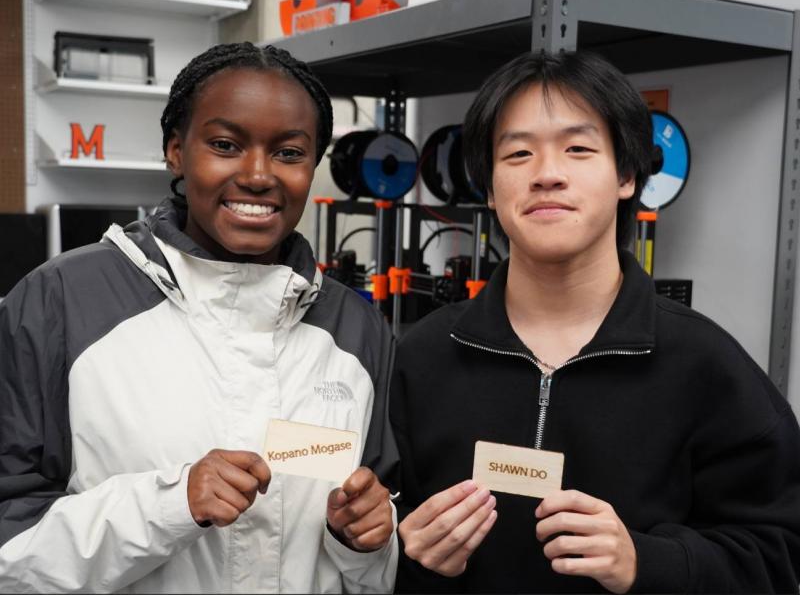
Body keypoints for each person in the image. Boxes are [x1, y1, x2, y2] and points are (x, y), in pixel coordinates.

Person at [390, 50, 800, 593]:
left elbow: (781, 554)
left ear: (627, 175)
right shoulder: (425, 355)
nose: (547, 175)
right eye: (517, 154)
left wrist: (646, 562)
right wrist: (401, 547)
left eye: (579, 149)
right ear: (489, 189)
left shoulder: (706, 365)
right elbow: (374, 523)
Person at [0, 42, 398, 593]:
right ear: (175, 152)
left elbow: (374, 540)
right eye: (225, 145)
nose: (259, 176)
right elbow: (9, 554)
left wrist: (366, 540)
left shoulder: (357, 329)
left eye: (289, 153)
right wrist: (168, 505)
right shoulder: (59, 302)